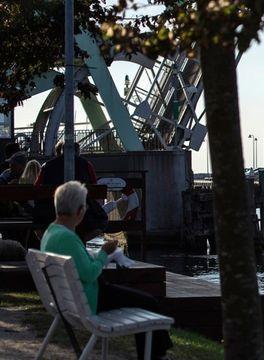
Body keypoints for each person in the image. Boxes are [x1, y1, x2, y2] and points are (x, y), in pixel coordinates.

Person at [40, 181, 172, 360]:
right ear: (79, 211)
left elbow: (80, 264)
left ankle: (159, 353)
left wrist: (98, 256)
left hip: (70, 300)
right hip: (91, 300)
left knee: (144, 302)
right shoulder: (67, 238)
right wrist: (105, 253)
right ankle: (158, 354)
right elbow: (90, 274)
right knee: (149, 303)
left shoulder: (51, 233)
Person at [34, 140, 106, 242]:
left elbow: (37, 189)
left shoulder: (48, 165)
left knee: (37, 221)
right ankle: (80, 240)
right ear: (78, 151)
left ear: (62, 151)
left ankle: (51, 241)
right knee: (102, 220)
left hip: (50, 212)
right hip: (82, 214)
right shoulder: (86, 164)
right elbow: (95, 188)